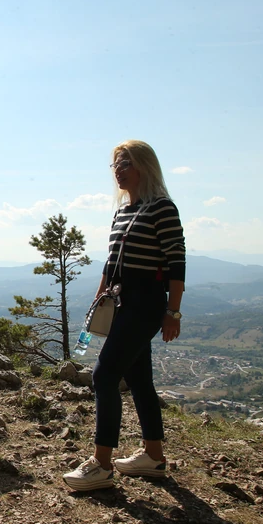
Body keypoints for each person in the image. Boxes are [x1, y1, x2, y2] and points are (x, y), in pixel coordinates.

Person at [63, 140, 186, 491]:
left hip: (145, 302)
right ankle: (153, 457)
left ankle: (101, 464)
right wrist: (99, 298)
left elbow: (177, 262)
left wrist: (173, 311)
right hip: (119, 302)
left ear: (145, 166)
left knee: (104, 376)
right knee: (140, 380)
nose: (119, 170)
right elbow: (111, 261)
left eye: (126, 163)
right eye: (116, 164)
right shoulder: (122, 211)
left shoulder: (162, 208)